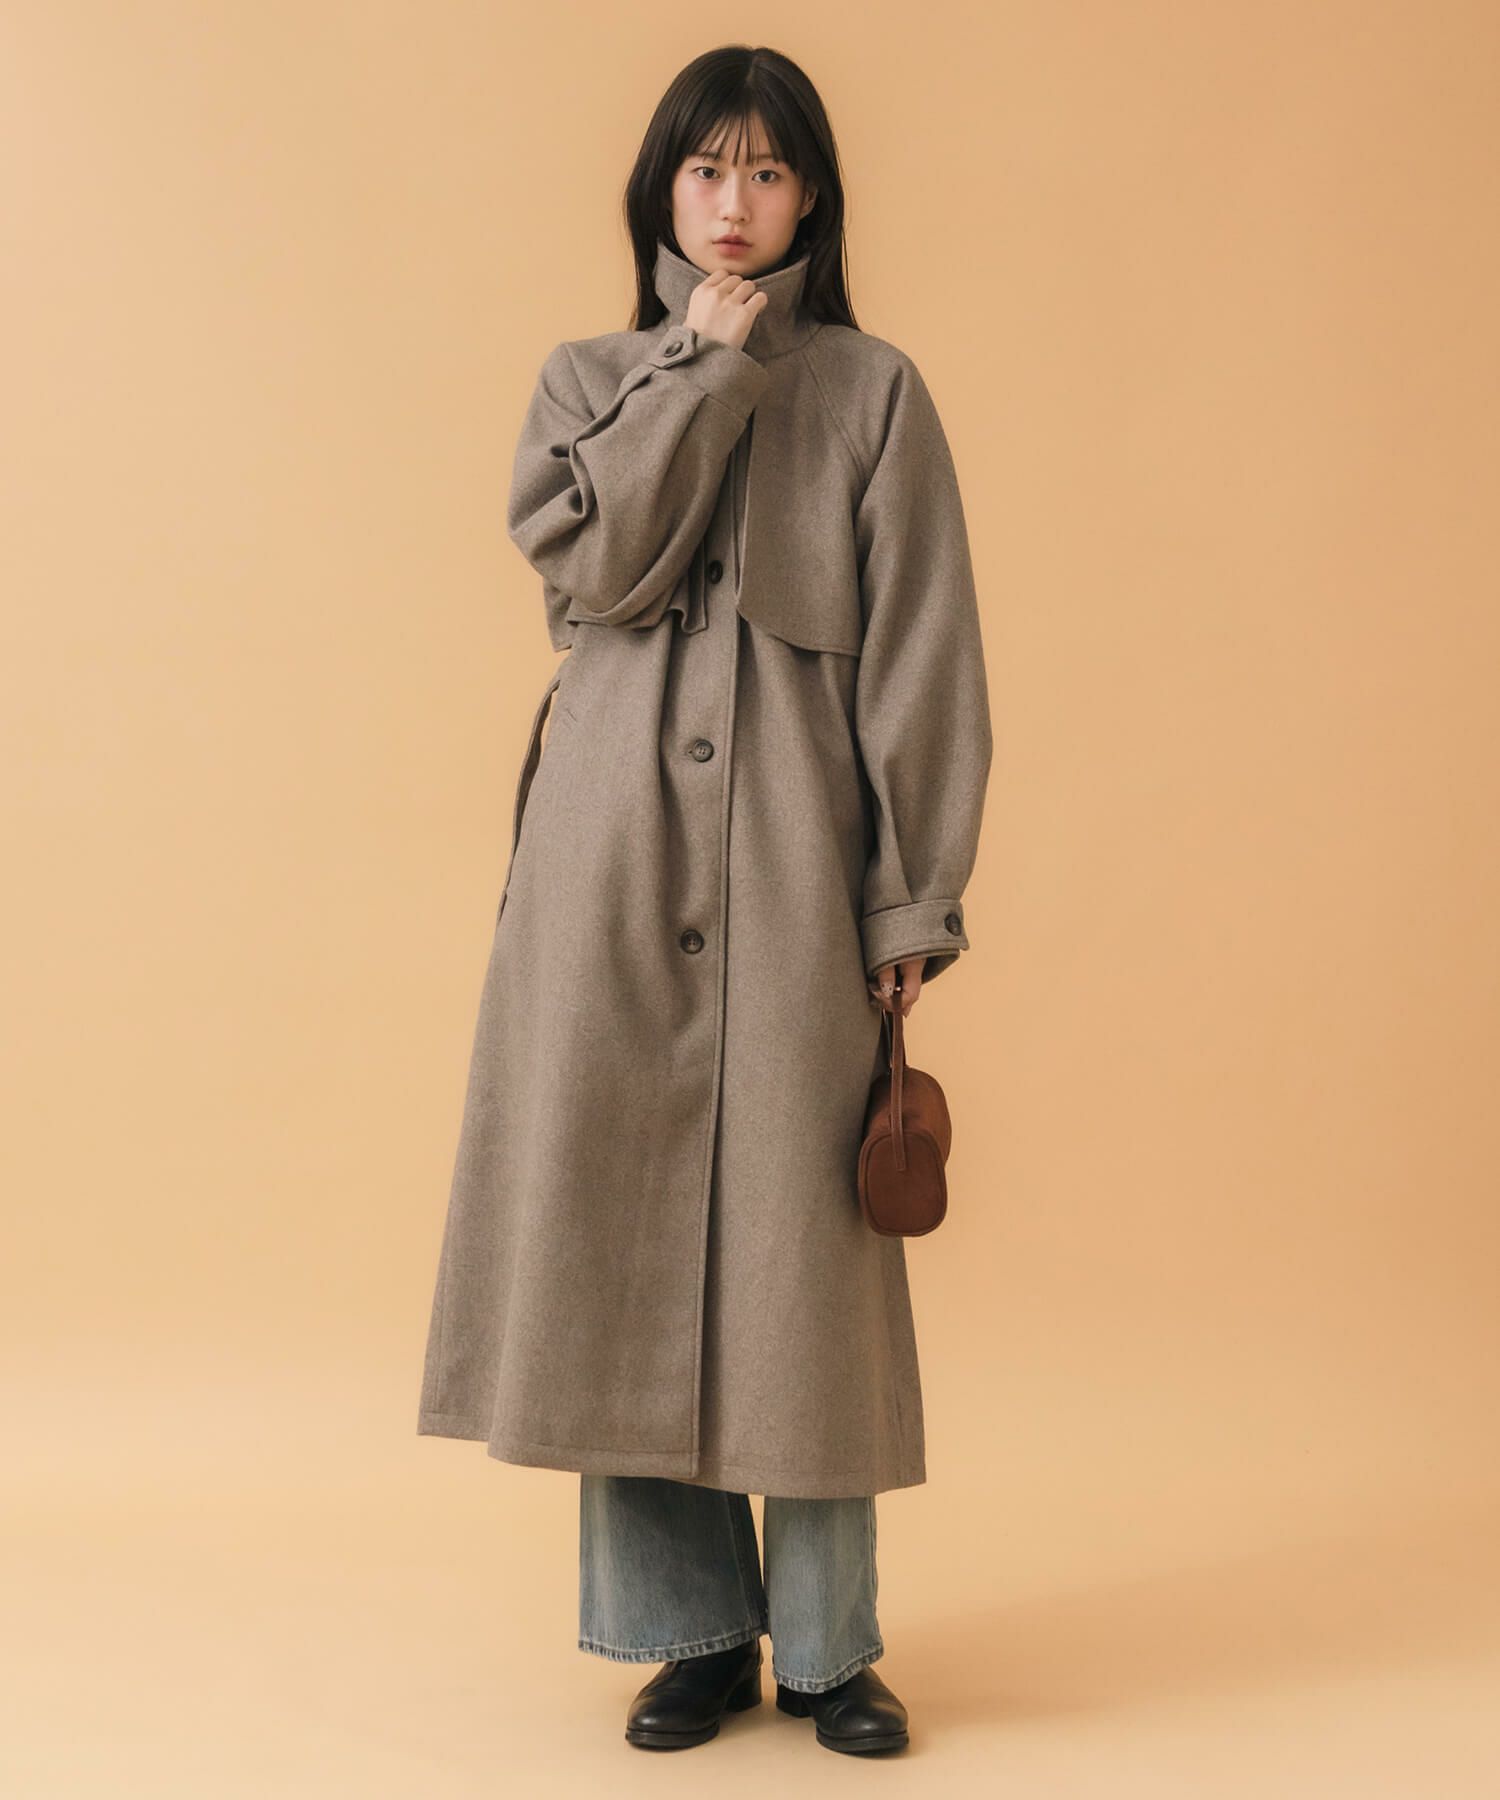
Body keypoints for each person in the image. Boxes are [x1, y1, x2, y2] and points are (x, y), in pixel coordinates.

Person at [416, 45, 992, 1758]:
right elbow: (597, 566)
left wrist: (909, 903)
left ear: (814, 198)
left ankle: (825, 1649)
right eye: (705, 170)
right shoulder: (588, 382)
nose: (734, 206)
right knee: (617, 1237)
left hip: (795, 875)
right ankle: (685, 1637)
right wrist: (702, 376)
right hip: (604, 874)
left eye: (767, 172)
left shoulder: (877, 394)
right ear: (659, 191)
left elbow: (925, 657)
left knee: (801, 1269)